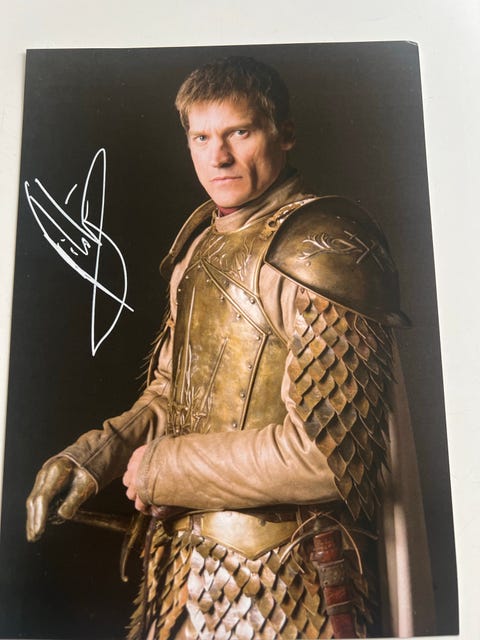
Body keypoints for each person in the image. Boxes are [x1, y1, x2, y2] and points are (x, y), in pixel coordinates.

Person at [26, 56, 432, 639]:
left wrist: (166, 469)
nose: (218, 157)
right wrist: (94, 458)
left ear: (284, 133)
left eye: (239, 132)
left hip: (289, 585)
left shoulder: (323, 247)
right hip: (181, 580)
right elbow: (173, 394)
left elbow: (326, 458)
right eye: (201, 137)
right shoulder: (201, 241)